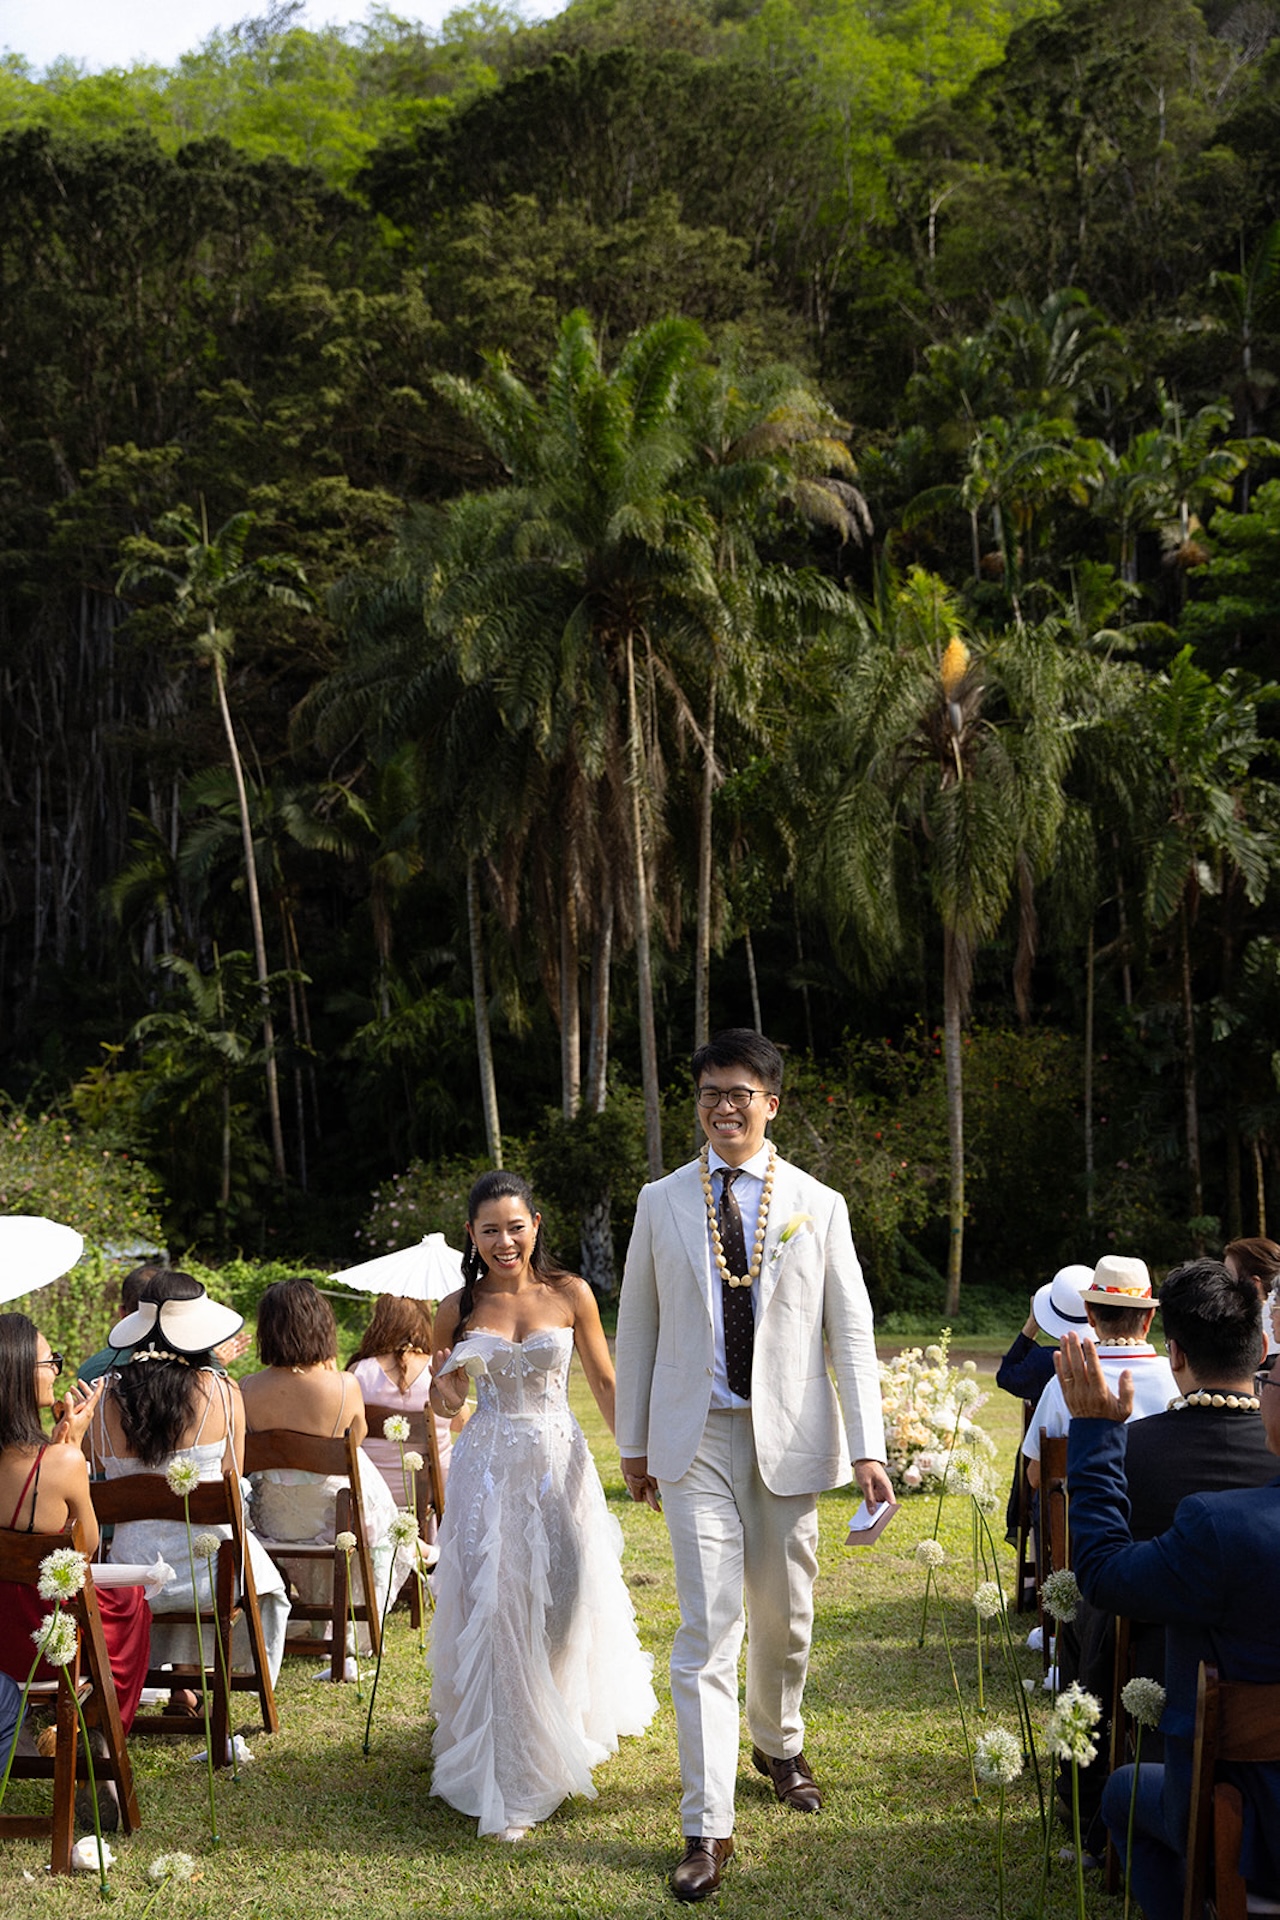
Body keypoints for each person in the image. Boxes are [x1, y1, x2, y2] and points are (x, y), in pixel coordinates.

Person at [615, 1028, 893, 1902]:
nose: (723, 1107)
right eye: (708, 1093)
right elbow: (639, 1326)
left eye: (740, 1093)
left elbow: (850, 1333)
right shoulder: (661, 1200)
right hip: (692, 1438)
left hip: (789, 1439)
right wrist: (633, 1439)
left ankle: (779, 1741)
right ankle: (707, 1826)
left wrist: (870, 1444)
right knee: (707, 1630)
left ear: (772, 1103)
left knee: (786, 1615)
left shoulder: (820, 1202)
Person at [427, 1169, 656, 1842]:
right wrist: (444, 1382)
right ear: (471, 1235)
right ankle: (512, 1773)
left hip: (561, 1466)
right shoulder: (456, 1307)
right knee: (497, 1608)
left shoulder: (571, 1293)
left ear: (536, 1225)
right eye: (490, 1230)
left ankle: (553, 1715)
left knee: (562, 1599)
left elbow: (606, 1383)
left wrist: (636, 1459)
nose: (505, 1241)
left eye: (515, 1227)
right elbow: (447, 1405)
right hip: (488, 1474)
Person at [1057, 1325, 1280, 1920]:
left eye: (1274, 1377)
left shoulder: (1222, 1528)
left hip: (1253, 1833)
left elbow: (1102, 1575)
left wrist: (1099, 1432)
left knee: (1124, 1792)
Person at [91, 1271, 291, 1686]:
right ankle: (204, 1680)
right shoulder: (222, 1392)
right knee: (257, 1575)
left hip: (131, 1576)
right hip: (209, 1579)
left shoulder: (101, 1397)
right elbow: (233, 1484)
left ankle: (168, 1679)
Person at [0, 1313, 150, 1735]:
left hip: (3, 1633)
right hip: (42, 1642)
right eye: (51, 1362)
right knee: (131, 1602)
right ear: (19, 1373)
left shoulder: (52, 1457)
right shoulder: (62, 1462)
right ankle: (99, 1737)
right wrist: (73, 1447)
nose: (56, 1372)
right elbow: (86, 1553)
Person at [239, 1278, 410, 1646]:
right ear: (321, 1325)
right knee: (377, 1502)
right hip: (332, 1520)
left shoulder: (247, 1387)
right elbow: (356, 1441)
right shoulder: (345, 1385)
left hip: (276, 1522)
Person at [1021, 1255, 1175, 1489]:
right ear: (1149, 1318)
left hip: (1088, 1520)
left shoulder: (1065, 1382)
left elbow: (1036, 1477)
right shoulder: (1178, 1377)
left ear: (1090, 1315)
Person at [347, 1293, 461, 1530]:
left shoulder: (358, 1372)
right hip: (433, 1494)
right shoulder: (439, 1370)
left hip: (371, 1491)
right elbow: (459, 1423)